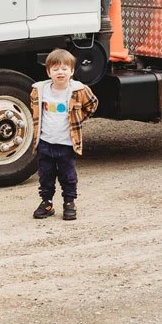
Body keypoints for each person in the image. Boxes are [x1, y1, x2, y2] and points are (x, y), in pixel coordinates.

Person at [30, 48, 98, 221]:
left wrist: (78, 118)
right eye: (55, 69)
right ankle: (47, 202)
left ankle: (69, 203)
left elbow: (92, 104)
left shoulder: (78, 90)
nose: (60, 72)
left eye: (64, 69)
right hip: (45, 142)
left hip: (67, 143)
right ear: (48, 72)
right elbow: (35, 112)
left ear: (72, 71)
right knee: (45, 175)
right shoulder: (40, 90)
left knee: (68, 176)